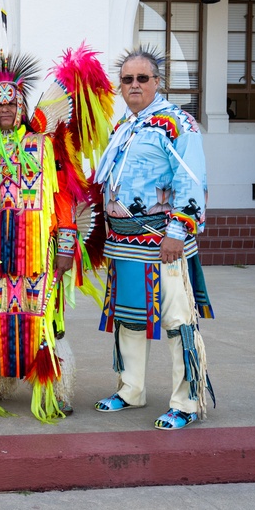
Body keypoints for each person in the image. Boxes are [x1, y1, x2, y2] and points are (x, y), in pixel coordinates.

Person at [0, 46, 113, 423]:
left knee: (45, 320)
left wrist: (66, 244)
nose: (5, 110)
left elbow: (63, 197)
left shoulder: (45, 147)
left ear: (21, 107)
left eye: (11, 104)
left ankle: (54, 388)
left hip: (38, 252)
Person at [92, 46, 214, 430]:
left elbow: (192, 180)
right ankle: (131, 389)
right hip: (124, 242)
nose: (134, 85)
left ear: (158, 82)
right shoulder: (123, 127)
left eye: (142, 78)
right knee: (128, 318)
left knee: (178, 319)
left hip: (163, 241)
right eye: (127, 79)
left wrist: (178, 231)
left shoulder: (178, 123)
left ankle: (187, 401)